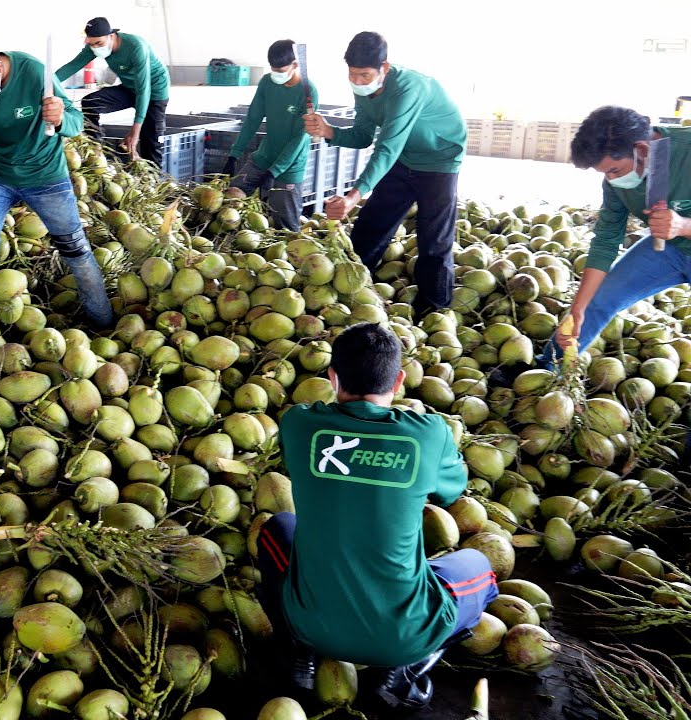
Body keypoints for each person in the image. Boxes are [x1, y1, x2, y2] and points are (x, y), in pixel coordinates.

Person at [255, 323, 497, 709]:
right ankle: (405, 668)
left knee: (277, 529)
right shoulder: (429, 433)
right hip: (402, 635)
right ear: (399, 381)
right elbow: (451, 491)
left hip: (309, 621)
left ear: (332, 377)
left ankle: (299, 649)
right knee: (481, 569)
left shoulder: (298, 424)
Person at [495, 107, 691, 384]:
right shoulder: (617, 180)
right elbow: (606, 240)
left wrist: (684, 226)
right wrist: (579, 308)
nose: (612, 179)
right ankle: (549, 368)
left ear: (643, 149)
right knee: (598, 300)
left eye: (615, 170)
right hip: (668, 251)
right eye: (604, 173)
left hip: (680, 234)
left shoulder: (687, 150)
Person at [0, 35, 113, 328]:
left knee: (76, 250)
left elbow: (75, 123)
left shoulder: (33, 72)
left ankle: (103, 322)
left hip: (45, 175)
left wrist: (60, 119)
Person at [304, 32, 466, 317]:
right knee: (371, 225)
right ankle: (350, 289)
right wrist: (329, 131)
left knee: (434, 238)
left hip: (439, 159)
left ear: (385, 68)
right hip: (404, 158)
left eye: (365, 75)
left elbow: (387, 147)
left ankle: (435, 311)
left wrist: (354, 196)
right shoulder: (363, 89)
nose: (358, 82)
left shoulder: (409, 88)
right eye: (353, 75)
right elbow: (363, 135)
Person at [220, 40, 317, 232]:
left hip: (289, 166)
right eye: (273, 70)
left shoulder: (308, 93)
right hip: (264, 156)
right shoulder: (267, 82)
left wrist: (275, 171)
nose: (276, 75)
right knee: (230, 199)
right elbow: (252, 119)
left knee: (286, 227)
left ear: (295, 65)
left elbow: (300, 138)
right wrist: (234, 154)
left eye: (280, 71)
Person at [56, 17, 170, 165]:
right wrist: (46, 82)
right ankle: (96, 152)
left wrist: (135, 131)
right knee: (91, 102)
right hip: (130, 87)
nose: (95, 48)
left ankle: (155, 179)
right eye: (91, 44)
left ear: (111, 36)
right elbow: (72, 66)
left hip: (154, 90)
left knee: (150, 141)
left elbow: (143, 89)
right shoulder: (95, 46)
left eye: (99, 43)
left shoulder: (136, 47)